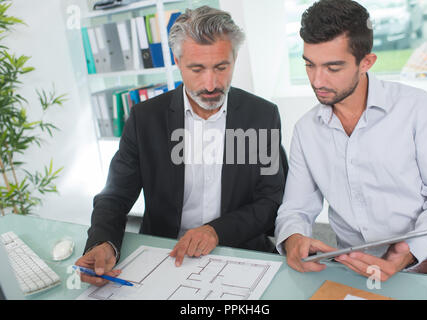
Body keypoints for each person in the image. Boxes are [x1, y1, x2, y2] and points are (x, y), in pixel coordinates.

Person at [75, 6, 287, 286]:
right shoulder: (145, 118)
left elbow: (271, 200)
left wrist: (216, 232)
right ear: (177, 61)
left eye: (221, 67)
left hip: (239, 249)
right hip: (165, 252)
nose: (210, 84)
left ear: (234, 59)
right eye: (196, 69)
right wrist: (102, 243)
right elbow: (115, 195)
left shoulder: (261, 115)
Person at [275, 0, 427, 281]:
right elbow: (296, 208)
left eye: (333, 68)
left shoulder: (418, 109)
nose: (317, 80)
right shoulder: (307, 129)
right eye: (309, 65)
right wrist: (293, 238)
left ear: (366, 62)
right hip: (353, 271)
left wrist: (407, 252)